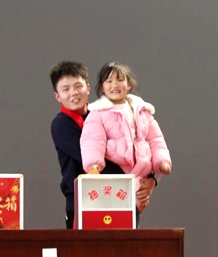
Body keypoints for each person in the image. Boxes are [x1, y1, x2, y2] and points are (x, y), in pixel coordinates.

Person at [50, 61, 157, 229]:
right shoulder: (62, 124)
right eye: (66, 89)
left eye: (78, 86)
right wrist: (136, 181)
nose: (74, 93)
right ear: (57, 96)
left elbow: (136, 145)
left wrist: (150, 179)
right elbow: (94, 160)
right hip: (85, 203)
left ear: (88, 87)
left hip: (120, 199)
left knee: (127, 246)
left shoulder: (103, 114)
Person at [80, 61, 171, 194]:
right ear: (102, 87)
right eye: (109, 81)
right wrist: (93, 165)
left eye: (120, 80)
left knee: (136, 205)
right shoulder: (97, 114)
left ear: (128, 85)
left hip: (141, 174)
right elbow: (92, 141)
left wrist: (161, 161)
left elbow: (156, 139)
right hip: (115, 175)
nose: (115, 85)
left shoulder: (142, 111)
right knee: (118, 205)